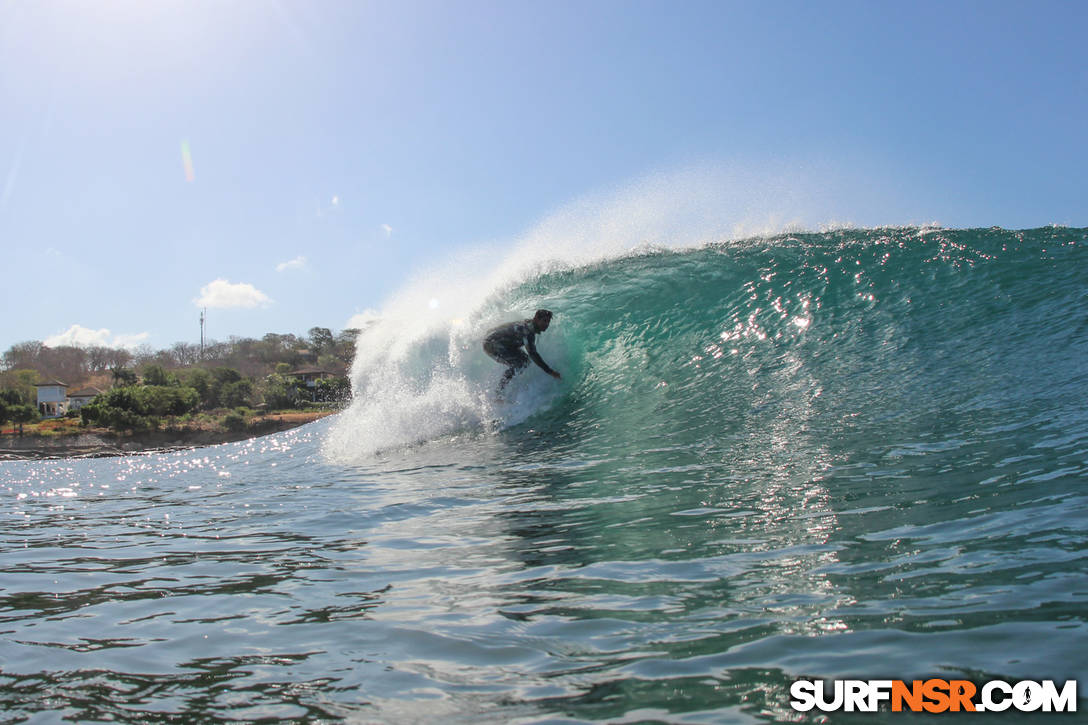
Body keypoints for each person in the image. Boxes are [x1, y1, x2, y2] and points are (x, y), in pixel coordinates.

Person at [483, 309, 561, 396]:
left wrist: (491, 331)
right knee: (520, 363)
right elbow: (532, 353)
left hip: (498, 342)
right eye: (544, 321)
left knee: (525, 360)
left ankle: (504, 388)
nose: (547, 324)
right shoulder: (528, 331)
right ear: (536, 318)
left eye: (548, 322)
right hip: (492, 344)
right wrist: (550, 371)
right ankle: (499, 393)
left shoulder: (528, 323)